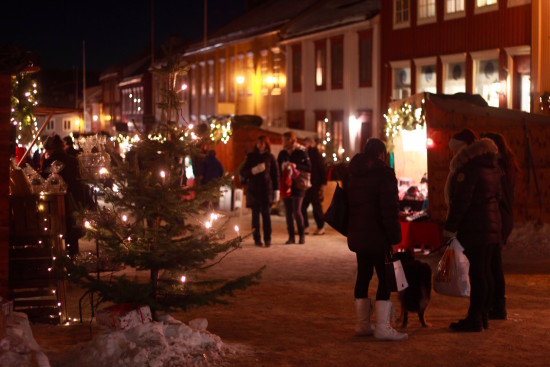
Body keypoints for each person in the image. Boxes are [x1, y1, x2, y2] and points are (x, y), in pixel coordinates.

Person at [347, 138, 407, 341]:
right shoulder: (384, 175)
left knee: (363, 275)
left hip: (359, 234)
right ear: (382, 154)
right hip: (379, 236)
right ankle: (382, 327)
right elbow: (389, 210)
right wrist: (395, 237)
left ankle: (362, 324)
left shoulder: (354, 173)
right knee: (385, 278)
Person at [444, 128, 501, 332]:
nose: (452, 155)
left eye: (454, 150)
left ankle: (475, 317)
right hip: (489, 224)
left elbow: (462, 201)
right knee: (485, 272)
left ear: (461, 149)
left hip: (476, 226)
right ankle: (483, 314)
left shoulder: (468, 168)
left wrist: (450, 228)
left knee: (478, 274)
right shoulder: (489, 163)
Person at [481, 132, 518, 320]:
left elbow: (497, 195)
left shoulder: (498, 167)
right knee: (494, 263)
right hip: (503, 217)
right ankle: (496, 304)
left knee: (493, 264)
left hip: (499, 218)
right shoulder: (506, 165)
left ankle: (497, 305)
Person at [41, 134, 88, 258]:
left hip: (56, 201)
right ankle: (73, 256)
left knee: (57, 230)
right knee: (72, 230)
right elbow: (78, 180)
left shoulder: (49, 162)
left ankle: (58, 257)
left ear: (50, 149)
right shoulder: (71, 159)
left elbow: (44, 181)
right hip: (73, 198)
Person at [240, 135, 280, 247]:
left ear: (266, 144)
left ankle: (268, 239)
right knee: (255, 217)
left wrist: (276, 190)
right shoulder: (251, 156)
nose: (260, 145)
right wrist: (253, 171)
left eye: (262, 143)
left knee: (266, 216)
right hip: (253, 190)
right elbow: (243, 172)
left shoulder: (270, 157)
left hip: (266, 190)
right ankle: (256, 239)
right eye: (258, 143)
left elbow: (275, 175)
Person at [277, 131, 311, 245]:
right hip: (286, 185)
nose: (283, 142)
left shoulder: (301, 151)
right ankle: (291, 237)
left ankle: (301, 235)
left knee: (297, 211)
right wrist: (282, 167)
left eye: (284, 140)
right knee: (288, 212)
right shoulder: (282, 153)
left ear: (290, 140)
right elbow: (277, 169)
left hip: (298, 185)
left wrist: (296, 166)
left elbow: (309, 167)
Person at [301, 136, 327, 235]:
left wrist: (323, 185)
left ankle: (320, 227)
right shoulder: (309, 154)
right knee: (304, 206)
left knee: (315, 207)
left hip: (314, 185)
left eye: (305, 144)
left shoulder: (315, 155)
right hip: (310, 184)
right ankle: (307, 227)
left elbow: (322, 170)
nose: (304, 146)